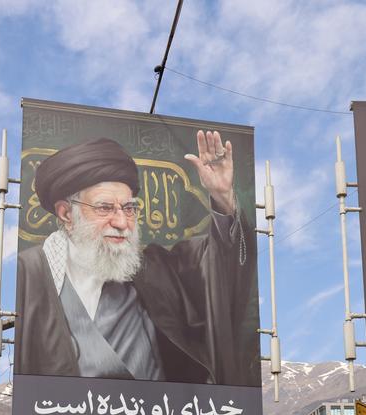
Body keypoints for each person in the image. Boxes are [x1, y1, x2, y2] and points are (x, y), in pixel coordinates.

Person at [16, 132, 258, 385]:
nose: (122, 222)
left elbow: (221, 266)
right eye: (104, 208)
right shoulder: (30, 276)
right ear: (66, 213)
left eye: (129, 208)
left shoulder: (155, 269)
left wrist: (222, 198)